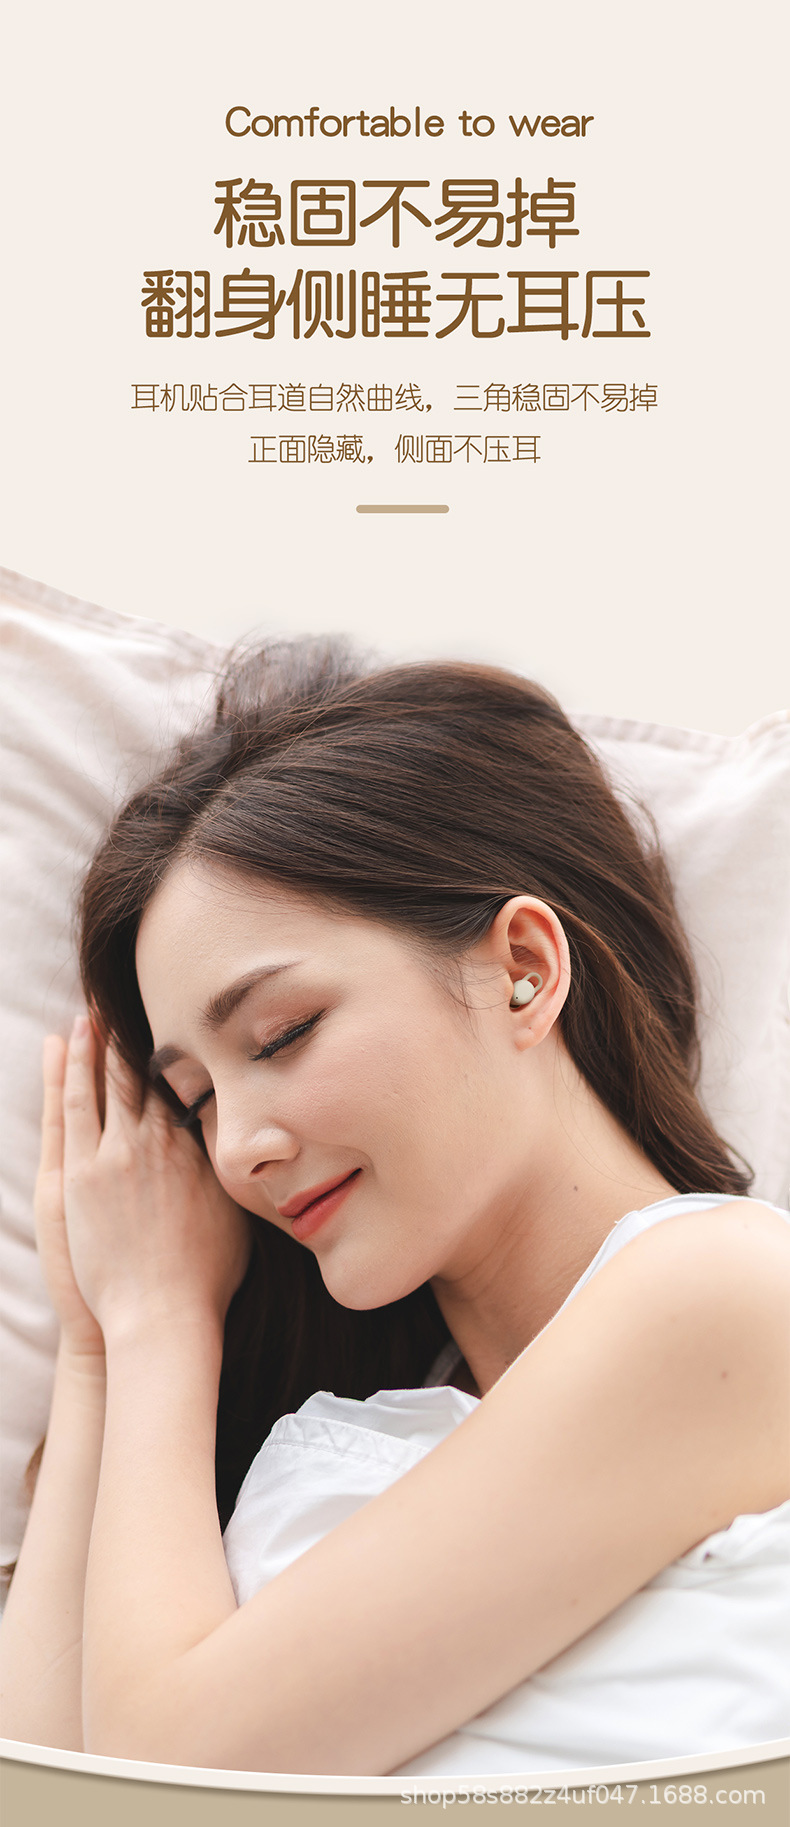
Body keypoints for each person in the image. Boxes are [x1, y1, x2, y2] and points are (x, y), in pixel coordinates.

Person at [1, 639, 788, 1776]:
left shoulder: (721, 1293)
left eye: (282, 1034)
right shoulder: (372, 1413)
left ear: (522, 968)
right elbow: (43, 1781)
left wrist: (164, 1324)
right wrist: (101, 1340)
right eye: (197, 1100)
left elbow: (166, 1778)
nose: (238, 1150)